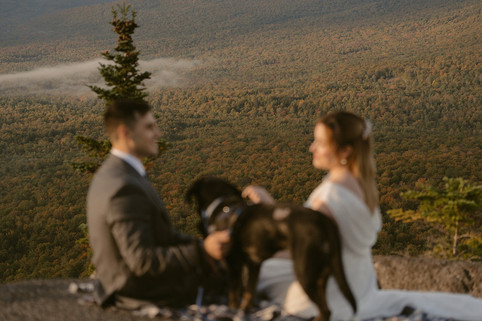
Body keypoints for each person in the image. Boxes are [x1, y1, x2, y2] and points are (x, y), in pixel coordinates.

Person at [242, 111, 482, 320]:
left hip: (331, 292)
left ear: (345, 150)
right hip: (361, 283)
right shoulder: (361, 185)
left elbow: (302, 251)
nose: (311, 148)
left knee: (257, 272)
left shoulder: (329, 198)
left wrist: (262, 219)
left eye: (320, 143)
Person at [87, 99, 230, 310]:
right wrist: (201, 252)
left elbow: (161, 237)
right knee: (238, 276)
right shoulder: (124, 187)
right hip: (138, 291)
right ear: (126, 133)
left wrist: (204, 247)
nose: (157, 133)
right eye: (149, 127)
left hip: (129, 284)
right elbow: (141, 260)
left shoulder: (116, 173)